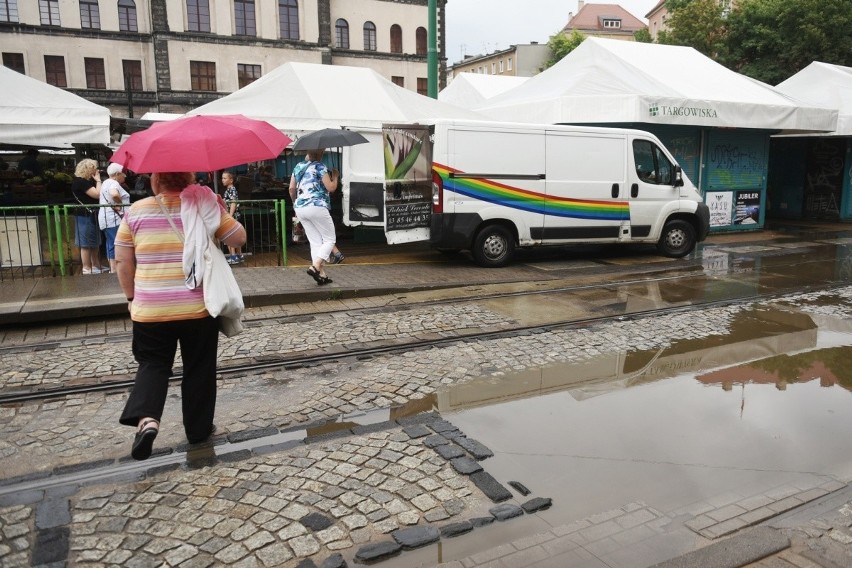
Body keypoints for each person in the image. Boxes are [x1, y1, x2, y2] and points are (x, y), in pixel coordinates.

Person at [115, 171, 246, 460]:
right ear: (188, 179)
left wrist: (130, 297)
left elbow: (123, 260)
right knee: (199, 369)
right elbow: (239, 237)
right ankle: (198, 431)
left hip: (150, 309)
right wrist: (218, 212)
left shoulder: (136, 212)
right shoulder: (204, 205)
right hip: (197, 310)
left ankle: (147, 420)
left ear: (155, 181)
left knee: (153, 364)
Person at [289, 149, 339, 285]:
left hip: (300, 208)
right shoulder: (320, 166)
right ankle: (315, 266)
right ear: (319, 154)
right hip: (317, 205)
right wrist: (335, 176)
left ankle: (321, 274)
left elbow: (291, 189)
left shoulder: (298, 167)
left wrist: (295, 203)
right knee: (329, 239)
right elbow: (331, 188)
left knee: (315, 241)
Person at [71, 159, 106, 275]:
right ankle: (87, 267)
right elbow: (97, 194)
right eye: (94, 168)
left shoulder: (81, 181)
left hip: (89, 214)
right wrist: (98, 180)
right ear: (88, 169)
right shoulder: (81, 182)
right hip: (85, 215)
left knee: (94, 241)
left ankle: (95, 265)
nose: (96, 171)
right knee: (86, 243)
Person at [98, 163, 131, 274]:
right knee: (116, 243)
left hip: (107, 219)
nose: (124, 176)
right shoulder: (113, 183)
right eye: (123, 174)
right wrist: (120, 205)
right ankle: (115, 269)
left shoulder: (105, 182)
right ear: (117, 174)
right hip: (114, 219)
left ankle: (113, 268)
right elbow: (114, 194)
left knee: (110, 242)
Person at [221, 171, 244, 264]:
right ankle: (239, 255)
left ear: (231, 180)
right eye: (222, 178)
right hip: (233, 215)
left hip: (232, 216)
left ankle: (233, 256)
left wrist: (230, 216)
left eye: (225, 178)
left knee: (229, 236)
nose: (223, 180)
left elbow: (233, 202)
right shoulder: (229, 190)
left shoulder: (232, 190)